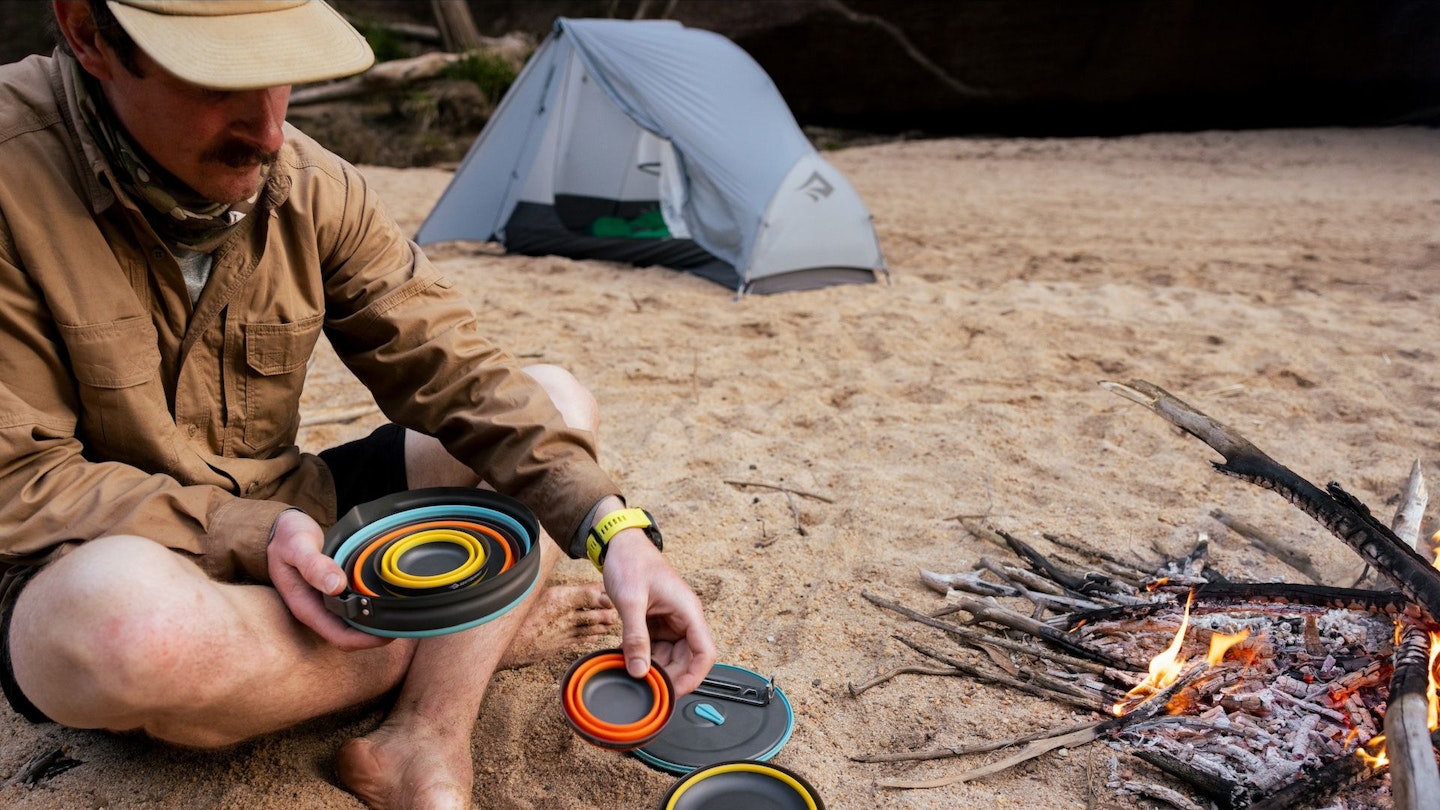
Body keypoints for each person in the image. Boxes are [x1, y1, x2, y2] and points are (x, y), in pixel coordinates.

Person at [0, 2, 716, 808]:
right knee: (129, 631)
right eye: (220, 80)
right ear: (89, 35)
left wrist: (616, 531)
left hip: (295, 522)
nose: (269, 132)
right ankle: (484, 631)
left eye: (280, 77)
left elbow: (457, 370)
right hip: (86, 561)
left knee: (555, 399)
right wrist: (250, 533)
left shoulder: (307, 180)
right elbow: (17, 484)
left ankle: (424, 735)